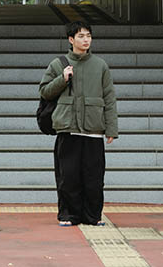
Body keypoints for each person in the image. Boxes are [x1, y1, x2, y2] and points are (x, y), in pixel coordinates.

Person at [39, 20, 118, 226]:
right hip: (68, 129)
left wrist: (111, 129)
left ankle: (93, 216)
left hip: (93, 130)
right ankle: (68, 215)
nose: (86, 40)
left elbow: (109, 98)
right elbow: (44, 91)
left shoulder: (100, 65)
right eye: (81, 36)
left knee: (94, 178)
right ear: (71, 39)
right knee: (68, 176)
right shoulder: (58, 64)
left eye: (88, 36)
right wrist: (62, 79)